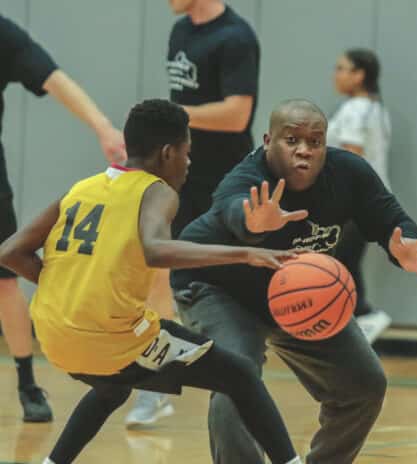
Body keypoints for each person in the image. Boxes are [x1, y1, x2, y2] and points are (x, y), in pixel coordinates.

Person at [0, 99, 302, 464]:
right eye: (187, 153)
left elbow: (10, 252)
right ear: (167, 153)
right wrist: (243, 253)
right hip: (110, 337)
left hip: (53, 337)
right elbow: (156, 251)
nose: (189, 163)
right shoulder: (158, 191)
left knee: (113, 385)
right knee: (241, 373)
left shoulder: (81, 189)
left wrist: (58, 282)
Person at [171, 99, 417, 464]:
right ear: (268, 141)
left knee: (363, 384)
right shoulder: (246, 179)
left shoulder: (348, 173)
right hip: (215, 286)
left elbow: (389, 218)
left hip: (293, 297)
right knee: (237, 378)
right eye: (292, 140)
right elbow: (237, 212)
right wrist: (255, 223)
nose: (304, 150)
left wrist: (404, 244)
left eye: (315, 141)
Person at [126, 0, 261, 426]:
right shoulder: (180, 31)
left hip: (225, 185)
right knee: (156, 274)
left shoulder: (236, 37)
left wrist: (171, 118)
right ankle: (153, 386)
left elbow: (238, 114)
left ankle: (241, 385)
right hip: (177, 175)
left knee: (231, 287)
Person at [0, 13, 126, 423]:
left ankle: (26, 382)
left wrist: (103, 127)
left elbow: (55, 79)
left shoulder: (3, 34)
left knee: (5, 283)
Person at [329, 48, 394, 344]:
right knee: (344, 261)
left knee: (340, 261)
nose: (337, 74)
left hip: (357, 201)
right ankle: (357, 321)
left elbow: (351, 157)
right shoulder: (377, 110)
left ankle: (365, 316)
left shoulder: (355, 110)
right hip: (373, 200)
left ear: (359, 75)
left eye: (342, 68)